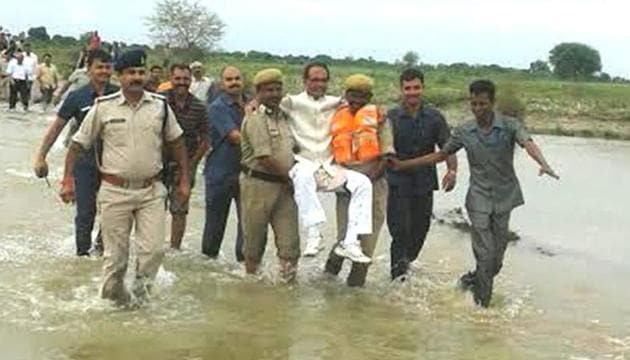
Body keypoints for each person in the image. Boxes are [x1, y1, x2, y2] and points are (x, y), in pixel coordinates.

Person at [388, 79, 559, 307]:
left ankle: (471, 280)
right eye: (474, 104)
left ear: (492, 102)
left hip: (504, 196)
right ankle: (483, 312)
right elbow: (440, 154)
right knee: (485, 256)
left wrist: (543, 163)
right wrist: (403, 165)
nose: (478, 109)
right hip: (477, 197)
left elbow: (527, 142)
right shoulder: (464, 130)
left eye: (482, 104)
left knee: (495, 262)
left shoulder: (509, 125)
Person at [59, 49, 190, 306]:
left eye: (141, 72)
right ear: (119, 77)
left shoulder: (160, 107)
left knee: (153, 252)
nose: (137, 77)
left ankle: (140, 302)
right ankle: (111, 307)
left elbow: (177, 143)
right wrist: (67, 180)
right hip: (115, 191)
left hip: (151, 191)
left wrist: (185, 180)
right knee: (116, 260)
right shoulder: (103, 108)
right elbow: (77, 145)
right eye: (131, 73)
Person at [282, 62, 373, 261]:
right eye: (314, 80)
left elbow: (360, 102)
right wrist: (252, 104)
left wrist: (378, 112)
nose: (319, 84)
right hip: (304, 164)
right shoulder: (291, 102)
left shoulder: (336, 103)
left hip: (330, 168)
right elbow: (267, 104)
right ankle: (314, 234)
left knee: (363, 184)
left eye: (323, 80)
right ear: (305, 81)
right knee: (303, 174)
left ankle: (350, 242)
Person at [34, 49, 118, 256]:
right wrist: (40, 157)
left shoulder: (119, 94)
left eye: (108, 67)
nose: (104, 71)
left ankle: (101, 251)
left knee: (113, 213)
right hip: (84, 162)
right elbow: (56, 128)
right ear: (88, 69)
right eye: (99, 67)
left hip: (115, 162)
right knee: (85, 213)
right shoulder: (76, 97)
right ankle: (82, 257)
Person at [323, 74, 395, 287]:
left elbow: (387, 157)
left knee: (366, 247)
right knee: (344, 239)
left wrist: (364, 183)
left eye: (362, 96)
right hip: (345, 189)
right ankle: (326, 282)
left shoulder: (380, 119)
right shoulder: (336, 115)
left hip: (374, 187)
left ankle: (355, 295)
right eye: (352, 95)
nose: (356, 101)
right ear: (346, 95)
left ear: (369, 97)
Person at [386, 68, 458, 281]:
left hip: (424, 182)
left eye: (416, 87)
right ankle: (397, 279)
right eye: (407, 88)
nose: (412, 92)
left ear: (423, 88)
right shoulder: (391, 117)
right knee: (400, 231)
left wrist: (452, 169)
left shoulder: (435, 117)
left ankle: (406, 264)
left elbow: (448, 146)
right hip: (396, 181)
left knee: (420, 231)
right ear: (401, 90)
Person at [240, 68, 300, 282]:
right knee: (254, 243)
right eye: (268, 90)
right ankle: (251, 288)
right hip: (258, 185)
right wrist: (292, 178)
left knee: (290, 244)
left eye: (278, 89)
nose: (274, 94)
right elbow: (263, 157)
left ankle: (287, 287)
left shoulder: (286, 117)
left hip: (285, 189)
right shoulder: (255, 117)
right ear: (258, 92)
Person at [162, 64, 210, 249]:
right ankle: (154, 248)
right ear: (170, 79)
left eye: (185, 79)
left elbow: (205, 140)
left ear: (191, 81)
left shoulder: (199, 107)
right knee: (154, 209)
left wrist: (190, 167)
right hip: (158, 163)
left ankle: (175, 250)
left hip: (186, 164)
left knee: (180, 210)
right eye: (178, 79)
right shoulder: (159, 102)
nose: (182, 83)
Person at [201, 66, 247, 261]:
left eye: (237, 78)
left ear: (243, 81)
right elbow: (235, 137)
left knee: (247, 225)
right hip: (220, 174)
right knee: (215, 226)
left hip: (246, 173)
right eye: (229, 79)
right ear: (221, 83)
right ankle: (208, 268)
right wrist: (263, 139)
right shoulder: (217, 107)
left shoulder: (249, 106)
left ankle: (245, 268)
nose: (234, 82)